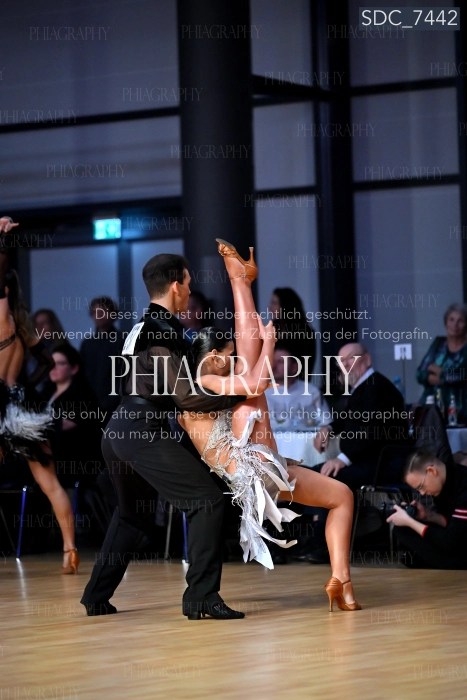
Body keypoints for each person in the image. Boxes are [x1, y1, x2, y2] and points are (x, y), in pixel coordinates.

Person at [178, 239, 360, 612]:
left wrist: (261, 347)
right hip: (251, 471)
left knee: (342, 496)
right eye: (227, 355)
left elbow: (251, 380)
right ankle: (240, 280)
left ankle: (341, 580)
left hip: (262, 468)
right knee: (253, 381)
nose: (232, 359)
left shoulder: (215, 385)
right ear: (211, 357)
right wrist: (269, 344)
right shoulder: (205, 380)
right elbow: (258, 381)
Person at [80, 253, 246, 620]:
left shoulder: (141, 327)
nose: (190, 290)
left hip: (119, 429)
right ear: (175, 286)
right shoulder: (161, 330)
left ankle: (96, 596)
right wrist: (239, 394)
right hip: (141, 430)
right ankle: (201, 597)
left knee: (132, 515)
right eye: (188, 283)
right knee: (207, 501)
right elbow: (185, 397)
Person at [0, 217, 78, 574]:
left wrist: (3, 238)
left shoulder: (3, 317)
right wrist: (22, 386)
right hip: (22, 405)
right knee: (50, 483)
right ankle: (69, 548)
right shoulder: (24, 326)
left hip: (3, 404)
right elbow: (46, 363)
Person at [313, 342, 410, 488]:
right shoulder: (364, 387)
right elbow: (348, 418)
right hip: (366, 462)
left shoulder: (377, 388)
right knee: (308, 474)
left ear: (367, 360)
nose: (345, 365)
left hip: (379, 466)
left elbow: (371, 431)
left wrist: (343, 459)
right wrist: (329, 428)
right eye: (341, 361)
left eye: (351, 358)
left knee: (315, 478)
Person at [387, 450, 467, 569]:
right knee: (402, 529)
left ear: (431, 471)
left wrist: (410, 522)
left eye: (421, 486)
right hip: (457, 539)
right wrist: (429, 516)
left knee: (416, 547)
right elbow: (451, 523)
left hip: (459, 546)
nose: (422, 493)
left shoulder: (464, 485)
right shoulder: (444, 482)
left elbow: (451, 541)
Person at [416, 303, 467, 422]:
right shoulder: (438, 343)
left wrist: (440, 372)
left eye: (460, 321)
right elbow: (420, 373)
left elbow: (462, 376)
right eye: (451, 320)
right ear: (446, 322)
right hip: (433, 410)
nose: (455, 325)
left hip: (460, 411)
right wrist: (444, 376)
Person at [264, 341, 329, 430]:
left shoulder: (312, 392)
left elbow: (326, 423)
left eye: (280, 362)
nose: (274, 366)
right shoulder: (262, 393)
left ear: (294, 367)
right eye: (273, 361)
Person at [80, 296, 124, 414]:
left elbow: (126, 375)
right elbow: (82, 375)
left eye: (103, 311)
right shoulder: (88, 344)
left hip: (116, 404)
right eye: (95, 312)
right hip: (90, 405)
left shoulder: (123, 341)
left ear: (113, 314)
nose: (99, 315)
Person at [268, 287, 316, 376]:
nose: (270, 308)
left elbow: (307, 364)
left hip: (296, 381)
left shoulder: (304, 332)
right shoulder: (272, 329)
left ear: (285, 306)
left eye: (274, 303)